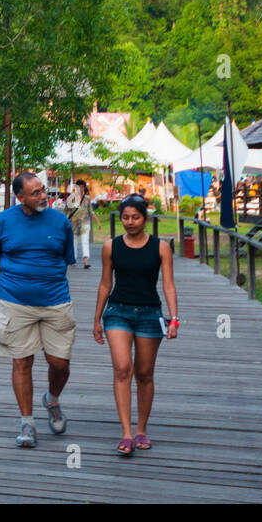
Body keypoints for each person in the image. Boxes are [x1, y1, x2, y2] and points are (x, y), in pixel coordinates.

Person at [0, 171, 78, 447]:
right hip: (15, 301)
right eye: (36, 193)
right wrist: (20, 281)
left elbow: (67, 259)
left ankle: (52, 399)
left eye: (44, 190)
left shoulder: (60, 221)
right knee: (21, 361)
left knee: (60, 363)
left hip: (56, 300)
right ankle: (27, 423)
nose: (44, 196)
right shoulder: (2, 222)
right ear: (20, 197)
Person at [93, 193, 178, 456]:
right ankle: (126, 433)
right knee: (121, 369)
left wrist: (174, 317)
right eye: (125, 218)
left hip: (150, 313)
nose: (130, 222)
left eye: (135, 217)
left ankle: (141, 428)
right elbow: (106, 283)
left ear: (145, 218)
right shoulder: (111, 246)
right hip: (117, 311)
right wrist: (96, 318)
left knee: (144, 373)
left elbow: (168, 284)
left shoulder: (161, 247)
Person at [65, 179, 95, 270]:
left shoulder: (87, 198)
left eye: (82, 186)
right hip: (74, 224)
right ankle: (73, 260)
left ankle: (86, 260)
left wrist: (97, 221)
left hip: (85, 223)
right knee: (74, 242)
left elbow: (91, 211)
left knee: (85, 241)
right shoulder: (71, 198)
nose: (81, 188)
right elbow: (66, 211)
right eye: (79, 186)